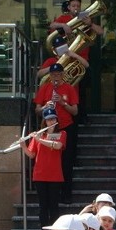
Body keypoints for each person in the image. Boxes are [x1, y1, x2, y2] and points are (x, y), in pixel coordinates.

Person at [32, 63, 78, 203]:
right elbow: (37, 110)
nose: (55, 77)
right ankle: (52, 194)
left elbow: (75, 111)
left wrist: (63, 103)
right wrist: (46, 106)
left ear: (62, 74)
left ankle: (66, 194)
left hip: (65, 127)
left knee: (66, 162)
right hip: (49, 128)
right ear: (50, 76)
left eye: (58, 74)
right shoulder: (45, 88)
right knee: (50, 161)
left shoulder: (69, 88)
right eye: (53, 75)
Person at [21, 107, 65, 230]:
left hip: (55, 176)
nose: (51, 121)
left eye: (53, 118)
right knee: (43, 206)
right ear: (44, 122)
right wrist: (23, 145)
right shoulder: (39, 136)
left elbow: (58, 146)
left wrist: (39, 140)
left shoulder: (62, 133)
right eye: (48, 119)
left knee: (54, 206)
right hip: (40, 175)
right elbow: (32, 154)